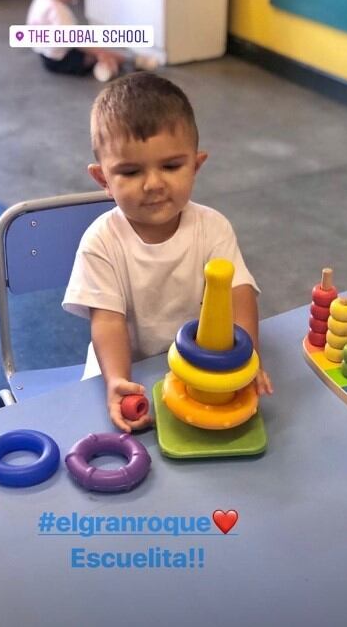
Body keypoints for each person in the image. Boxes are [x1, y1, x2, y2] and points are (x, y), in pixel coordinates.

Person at [63, 72, 274, 432]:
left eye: (171, 166)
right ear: (103, 180)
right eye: (130, 171)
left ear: (196, 164)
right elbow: (108, 322)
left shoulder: (213, 227)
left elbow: (239, 295)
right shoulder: (101, 241)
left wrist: (244, 361)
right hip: (128, 372)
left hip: (199, 371)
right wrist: (117, 382)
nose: (154, 184)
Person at [27, 0, 125, 79]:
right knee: (90, 57)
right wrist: (101, 53)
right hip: (59, 59)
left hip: (44, 54)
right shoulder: (57, 11)